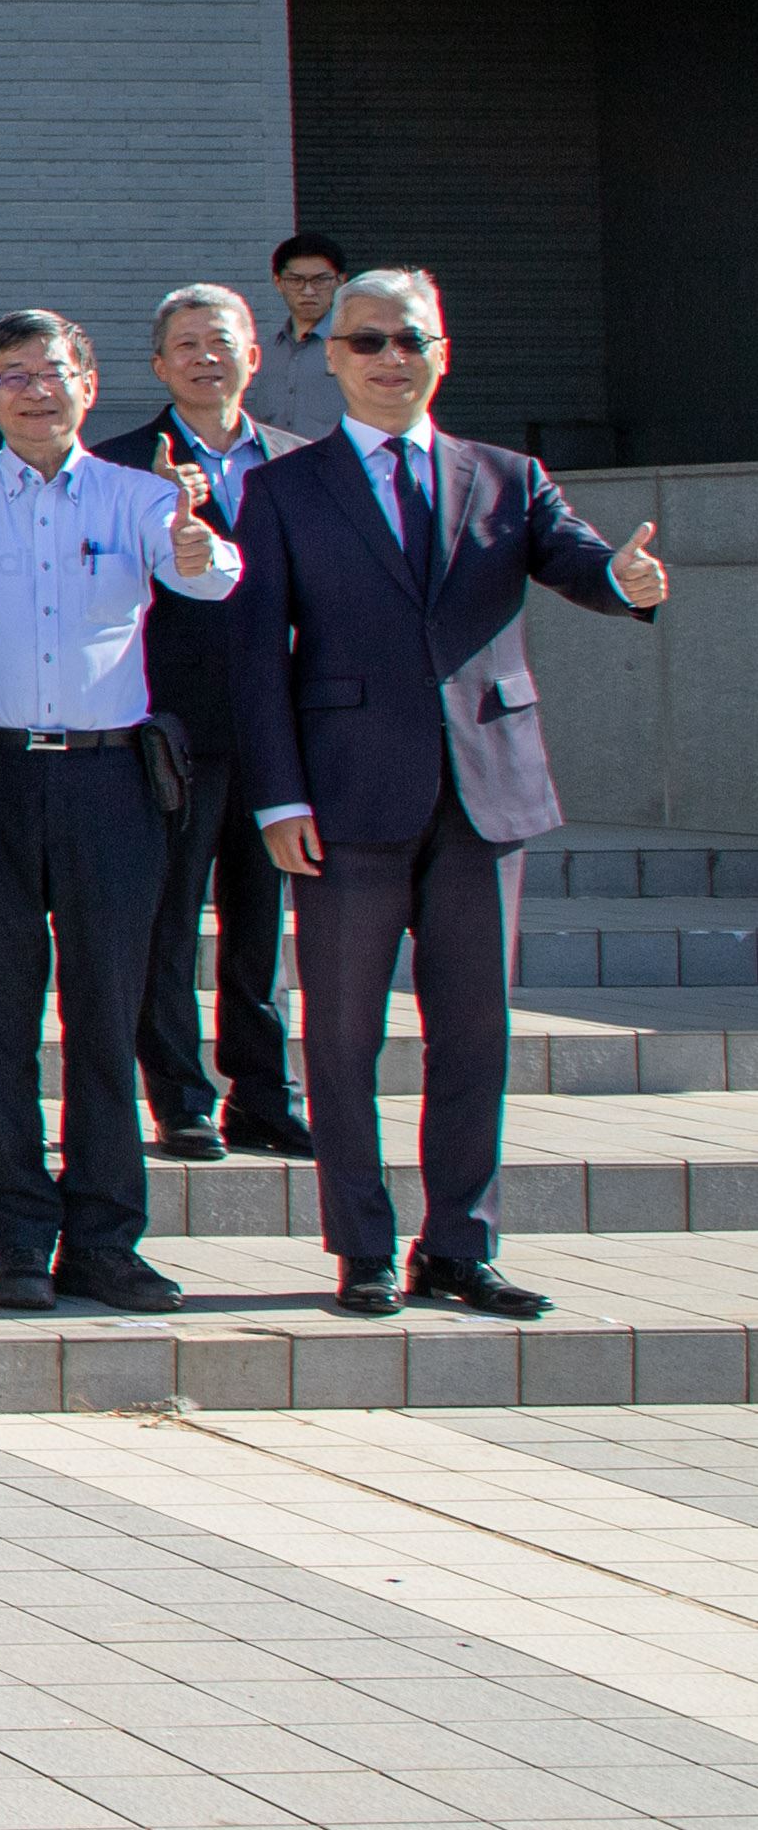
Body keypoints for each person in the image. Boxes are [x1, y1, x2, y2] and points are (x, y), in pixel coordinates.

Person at [235, 269, 677, 1321]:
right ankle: (362, 1250)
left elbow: (578, 562)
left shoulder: (507, 475)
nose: (392, 358)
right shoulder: (285, 488)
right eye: (368, 341)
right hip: (344, 800)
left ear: (443, 351)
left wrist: (622, 583)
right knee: (342, 1036)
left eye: (411, 339)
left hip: (486, 795)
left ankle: (459, 1247)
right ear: (332, 357)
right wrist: (277, 800)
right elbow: (254, 660)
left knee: (476, 1033)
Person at [0, 307, 242, 1315]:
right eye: (14, 375)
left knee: (107, 1018)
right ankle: (17, 1240)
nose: (37, 392)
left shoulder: (142, 496)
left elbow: (208, 579)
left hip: (110, 782)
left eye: (55, 373)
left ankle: (107, 1241)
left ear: (89, 383)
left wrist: (198, 546)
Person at [108, 285, 303, 1158]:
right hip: (167, 731)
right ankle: (180, 1098)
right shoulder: (119, 468)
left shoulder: (300, 465)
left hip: (274, 730)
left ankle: (263, 1097)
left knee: (260, 930)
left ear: (252, 358)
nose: (203, 358)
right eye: (184, 345)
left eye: (219, 342)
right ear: (158, 366)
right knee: (168, 921)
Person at [247, 233, 353, 439]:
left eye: (320, 280)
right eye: (295, 280)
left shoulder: (354, 347)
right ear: (278, 282)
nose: (308, 291)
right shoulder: (267, 351)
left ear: (340, 281)